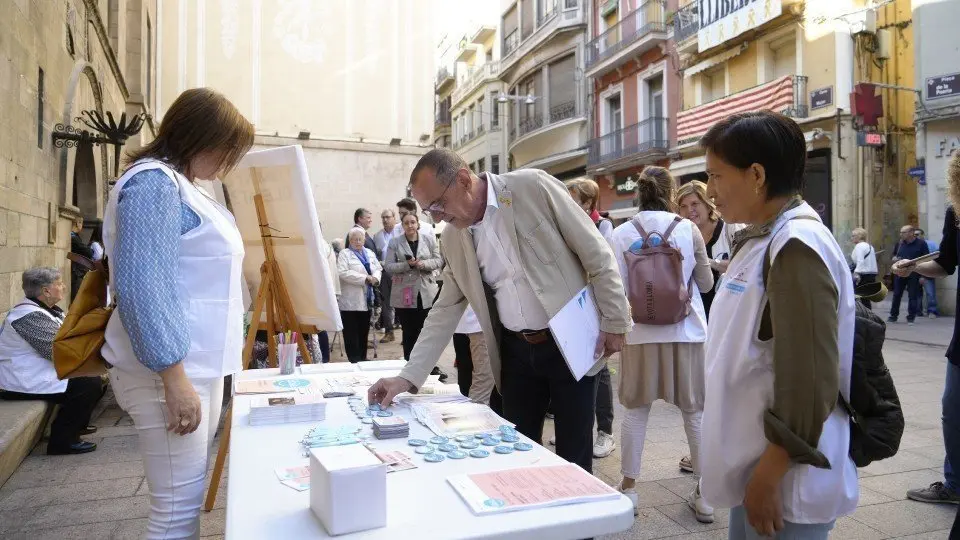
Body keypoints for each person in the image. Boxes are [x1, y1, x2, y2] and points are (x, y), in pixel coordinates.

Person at [368, 148, 631, 475]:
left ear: (463, 180)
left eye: (438, 204)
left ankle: (580, 527)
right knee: (518, 453)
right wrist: (408, 377)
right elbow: (445, 308)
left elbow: (598, 255)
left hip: (571, 343)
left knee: (573, 458)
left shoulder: (532, 187)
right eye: (427, 210)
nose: (435, 217)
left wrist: (615, 320)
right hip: (515, 353)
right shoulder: (453, 237)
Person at [101, 87, 254, 538]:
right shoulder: (153, 184)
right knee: (174, 514)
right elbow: (144, 287)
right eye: (229, 151)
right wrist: (174, 377)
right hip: (167, 371)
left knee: (181, 508)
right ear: (201, 139)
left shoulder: (182, 185)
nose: (229, 162)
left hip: (192, 367)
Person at [699, 111, 858, 539]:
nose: (710, 191)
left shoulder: (796, 246)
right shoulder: (765, 237)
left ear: (756, 174)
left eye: (716, 176)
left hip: (785, 479)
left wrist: (770, 472)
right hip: (755, 466)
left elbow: (810, 378)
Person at [610, 166, 715, 521]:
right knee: (694, 412)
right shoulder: (688, 230)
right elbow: (705, 283)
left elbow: (617, 289)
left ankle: (629, 489)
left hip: (638, 335)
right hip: (686, 334)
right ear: (671, 193)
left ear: (638, 193)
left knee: (635, 412)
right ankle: (705, 494)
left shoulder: (621, 233)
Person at [896, 151, 960, 510]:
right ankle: (955, 483)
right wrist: (915, 269)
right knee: (953, 409)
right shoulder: (957, 212)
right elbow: (946, 264)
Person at [0, 267, 105, 455]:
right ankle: (62, 441)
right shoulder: (28, 316)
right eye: (59, 283)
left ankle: (77, 424)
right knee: (87, 383)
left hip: (34, 372)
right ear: (46, 291)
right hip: (20, 381)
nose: (64, 287)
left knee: (92, 376)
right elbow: (57, 351)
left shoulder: (46, 310)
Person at [564, 178, 616, 459]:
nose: (569, 206)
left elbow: (605, 269)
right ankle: (579, 429)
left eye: (576, 200)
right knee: (576, 366)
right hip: (572, 307)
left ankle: (604, 432)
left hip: (595, 307)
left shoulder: (603, 226)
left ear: (588, 203)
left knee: (601, 369)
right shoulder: (568, 226)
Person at [383, 213, 442, 360]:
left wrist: (423, 264)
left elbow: (438, 260)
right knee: (409, 331)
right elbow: (389, 266)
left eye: (413, 222)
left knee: (426, 331)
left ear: (418, 224)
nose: (410, 225)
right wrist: (406, 265)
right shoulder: (394, 242)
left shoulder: (429, 240)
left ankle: (429, 365)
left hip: (426, 291)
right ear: (402, 226)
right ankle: (409, 364)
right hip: (405, 293)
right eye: (406, 223)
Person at [338, 228, 382, 362]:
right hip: (350, 300)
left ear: (364, 240)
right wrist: (365, 278)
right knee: (351, 332)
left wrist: (375, 278)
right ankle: (354, 359)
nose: (357, 242)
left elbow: (378, 268)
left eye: (360, 239)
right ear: (350, 241)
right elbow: (343, 273)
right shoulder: (344, 254)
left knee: (363, 331)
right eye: (354, 239)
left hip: (366, 299)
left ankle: (363, 358)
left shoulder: (369, 253)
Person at [453, 306, 500, 414]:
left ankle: (473, 413)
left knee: (473, 374)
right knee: (483, 377)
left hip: (472, 323)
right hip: (479, 324)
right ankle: (474, 417)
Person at [889, 225, 929, 324]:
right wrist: (894, 258)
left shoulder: (921, 244)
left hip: (914, 273)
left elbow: (927, 260)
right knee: (897, 294)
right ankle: (893, 316)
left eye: (903, 232)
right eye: (900, 232)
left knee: (912, 295)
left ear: (911, 233)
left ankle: (911, 317)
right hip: (900, 273)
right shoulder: (900, 244)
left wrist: (923, 276)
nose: (901, 234)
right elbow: (894, 255)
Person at [374, 210, 398, 342]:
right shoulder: (377, 236)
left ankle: (408, 334)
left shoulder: (400, 233)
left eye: (388, 217)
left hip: (400, 272)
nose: (385, 220)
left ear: (394, 218)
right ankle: (389, 332)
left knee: (404, 304)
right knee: (386, 304)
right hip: (384, 273)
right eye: (383, 217)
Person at [849, 228, 879, 308]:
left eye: (853, 236)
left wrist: (856, 274)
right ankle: (868, 316)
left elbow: (860, 261)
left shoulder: (859, 246)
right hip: (871, 275)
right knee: (866, 299)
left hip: (863, 275)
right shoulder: (869, 246)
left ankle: (865, 316)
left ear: (859, 236)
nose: (851, 238)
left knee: (861, 299)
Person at [916, 228, 940, 318]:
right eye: (914, 235)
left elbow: (938, 255)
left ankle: (932, 311)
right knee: (917, 294)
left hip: (928, 271)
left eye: (918, 234)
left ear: (923, 235)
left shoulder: (931, 244)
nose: (916, 236)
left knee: (930, 293)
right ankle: (918, 311)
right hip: (916, 272)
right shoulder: (914, 245)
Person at [69, 216, 94, 301]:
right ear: (77, 224)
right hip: (76, 272)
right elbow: (88, 252)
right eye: (81, 223)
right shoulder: (73, 237)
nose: (82, 227)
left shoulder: (73, 236)